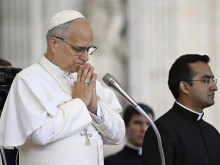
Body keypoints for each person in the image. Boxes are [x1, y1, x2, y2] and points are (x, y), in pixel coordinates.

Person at [0, 10, 125, 165]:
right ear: (54, 43)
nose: (86, 57)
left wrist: (94, 109)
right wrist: (80, 103)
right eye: (79, 49)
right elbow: (40, 134)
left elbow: (118, 136)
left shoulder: (84, 80)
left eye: (89, 49)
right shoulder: (28, 80)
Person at [142, 54, 220, 165]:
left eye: (213, 80)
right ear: (185, 87)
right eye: (206, 81)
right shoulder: (161, 131)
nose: (214, 87)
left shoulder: (213, 133)